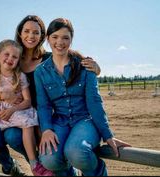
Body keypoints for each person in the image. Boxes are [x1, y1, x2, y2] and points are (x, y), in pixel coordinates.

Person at [0, 15, 103, 176]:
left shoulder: (47, 58)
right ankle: (14, 167)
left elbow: (69, 55)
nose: (30, 36)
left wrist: (95, 67)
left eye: (36, 32)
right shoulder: (14, 59)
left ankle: (44, 168)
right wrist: (4, 97)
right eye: (26, 31)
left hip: (40, 114)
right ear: (20, 33)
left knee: (14, 137)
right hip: (16, 112)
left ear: (43, 36)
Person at [34, 18, 131, 176]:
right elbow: (43, 105)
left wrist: (108, 135)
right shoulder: (41, 72)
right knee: (49, 159)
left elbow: (95, 102)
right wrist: (46, 130)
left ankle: (97, 171)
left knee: (76, 153)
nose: (60, 42)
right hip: (60, 121)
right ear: (47, 39)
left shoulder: (85, 65)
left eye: (65, 37)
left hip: (84, 121)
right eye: (55, 37)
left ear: (71, 40)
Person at [0, 39, 54, 176]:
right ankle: (12, 167)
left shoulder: (20, 76)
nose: (10, 58)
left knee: (27, 124)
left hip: (19, 111)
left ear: (18, 60)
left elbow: (27, 101)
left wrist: (13, 109)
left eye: (15, 57)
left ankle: (35, 163)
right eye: (6, 54)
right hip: (3, 116)